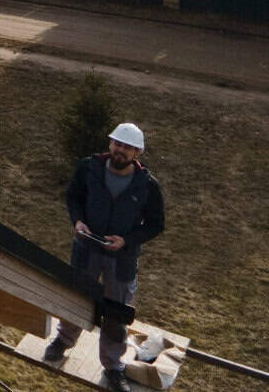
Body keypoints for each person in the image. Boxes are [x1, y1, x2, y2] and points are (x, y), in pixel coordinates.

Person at [43, 122, 166, 392]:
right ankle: (63, 340)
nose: (120, 150)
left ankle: (112, 365)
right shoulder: (89, 168)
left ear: (137, 153)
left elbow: (156, 224)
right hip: (86, 248)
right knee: (76, 296)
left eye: (127, 147)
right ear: (110, 144)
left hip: (121, 259)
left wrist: (127, 240)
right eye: (117, 144)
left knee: (116, 309)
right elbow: (73, 196)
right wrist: (77, 221)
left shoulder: (147, 186)